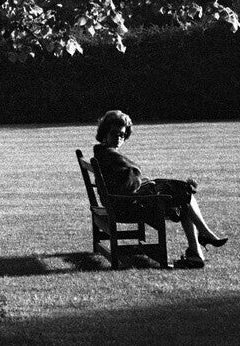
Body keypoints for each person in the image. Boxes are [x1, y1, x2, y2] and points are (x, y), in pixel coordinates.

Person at [92, 110, 228, 268]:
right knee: (183, 195)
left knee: (183, 194)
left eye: (122, 135)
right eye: (114, 133)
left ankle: (197, 250)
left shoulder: (103, 154)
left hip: (120, 204)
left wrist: (145, 183)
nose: (119, 138)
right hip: (126, 208)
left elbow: (128, 182)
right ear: (104, 133)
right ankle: (202, 238)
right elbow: (131, 183)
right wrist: (146, 184)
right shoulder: (109, 155)